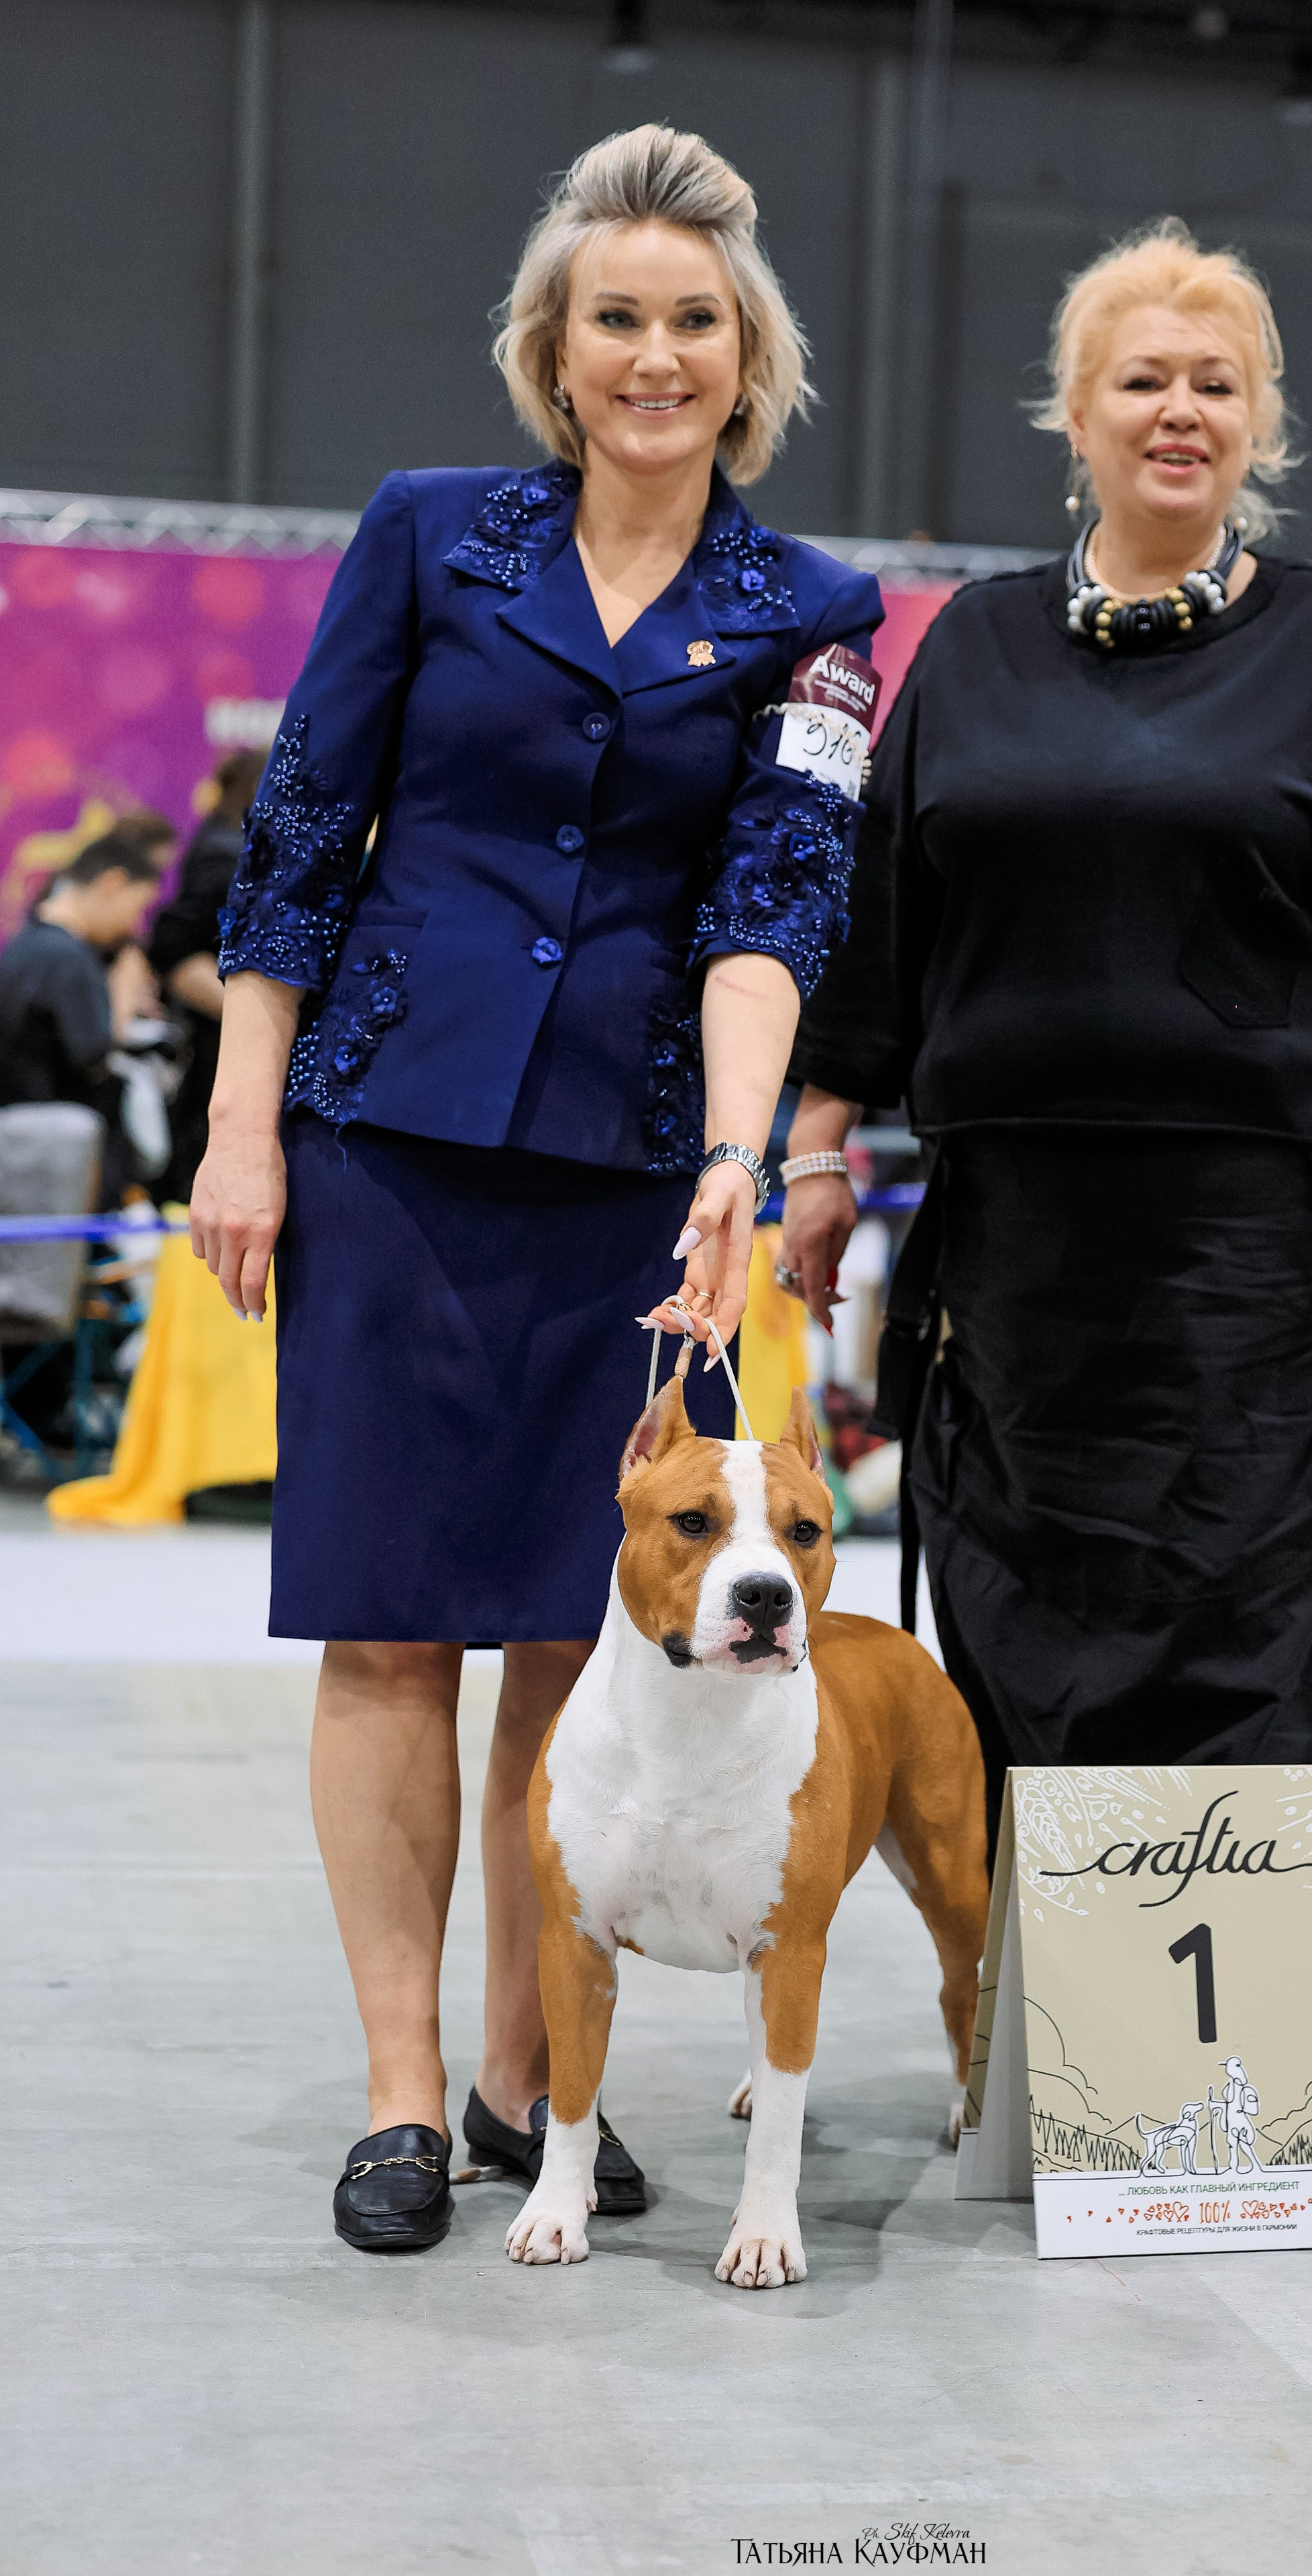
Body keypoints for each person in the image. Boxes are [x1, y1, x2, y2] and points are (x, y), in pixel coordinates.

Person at [188, 125, 881, 2254]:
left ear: (743, 357)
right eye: (617, 320)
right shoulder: (425, 539)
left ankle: (528, 2073)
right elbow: (304, 827)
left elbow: (779, 897)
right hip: (385, 1142)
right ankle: (407, 2088)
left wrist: (740, 1153)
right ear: (554, 351)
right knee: (389, 1626)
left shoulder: (818, 613)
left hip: (635, 1180)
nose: (654, 355)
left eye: (695, 321)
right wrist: (241, 1113)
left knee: (565, 1647)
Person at [781, 219, 1312, 1964]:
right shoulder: (971, 643)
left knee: (1256, 1601)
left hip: (1258, 1257)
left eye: (1216, 383)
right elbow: (886, 906)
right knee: (1025, 1608)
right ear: (1076, 415)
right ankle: (1047, 2030)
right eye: (1142, 380)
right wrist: (816, 1144)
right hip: (1021, 1255)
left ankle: (1219, 2077)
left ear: (1260, 422)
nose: (1178, 410)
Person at [0, 833, 165, 1199]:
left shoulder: (24, 944)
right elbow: (95, 1053)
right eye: (137, 907)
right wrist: (123, 993)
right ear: (113, 884)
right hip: (53, 1161)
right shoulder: (68, 958)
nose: (135, 925)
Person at [147, 750, 269, 1204]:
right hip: (221, 1052)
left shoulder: (225, 843)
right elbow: (173, 948)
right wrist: (256, 1016)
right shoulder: (227, 856)